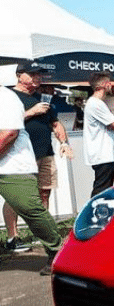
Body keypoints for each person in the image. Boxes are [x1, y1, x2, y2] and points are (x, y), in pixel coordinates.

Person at [2, 61, 73, 252]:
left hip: (45, 153)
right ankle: (12, 237)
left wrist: (64, 143)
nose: (37, 78)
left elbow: (56, 124)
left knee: (44, 193)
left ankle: (41, 234)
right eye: (33, 74)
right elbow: (8, 125)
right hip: (21, 156)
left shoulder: (44, 97)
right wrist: (31, 112)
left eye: (39, 75)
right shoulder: (10, 97)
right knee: (18, 199)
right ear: (19, 75)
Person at [0, 84, 63, 273]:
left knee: (29, 208)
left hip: (11, 165)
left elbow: (9, 133)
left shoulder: (6, 97)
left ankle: (58, 253)